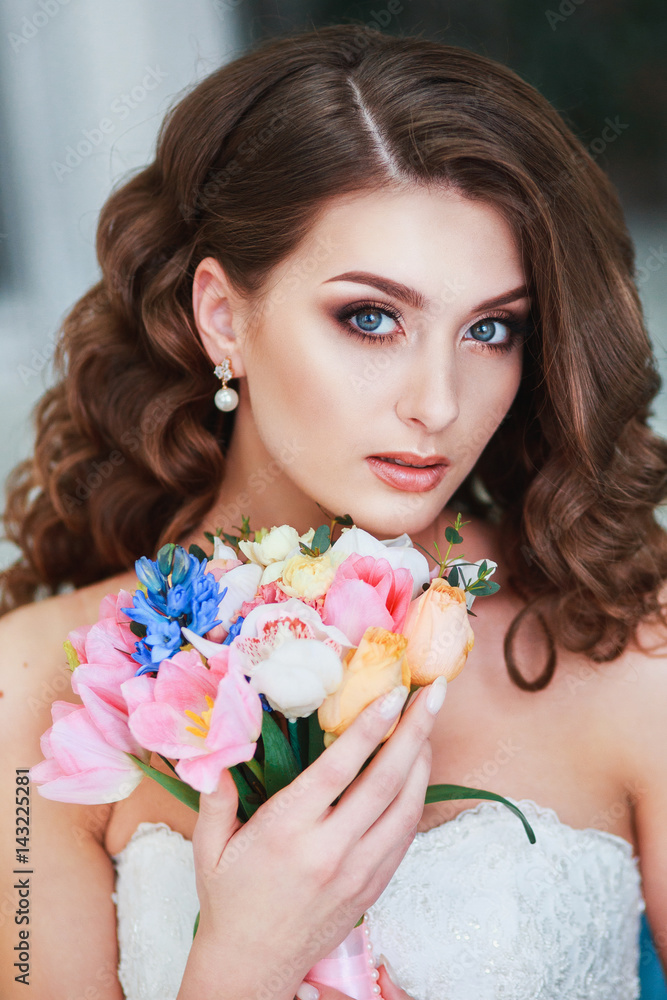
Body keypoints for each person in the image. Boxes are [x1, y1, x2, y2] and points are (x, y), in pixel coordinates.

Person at [1, 21, 666, 1000]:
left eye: (491, 328)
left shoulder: (626, 642)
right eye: (370, 317)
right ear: (223, 316)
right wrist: (244, 962)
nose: (437, 401)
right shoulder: (26, 693)